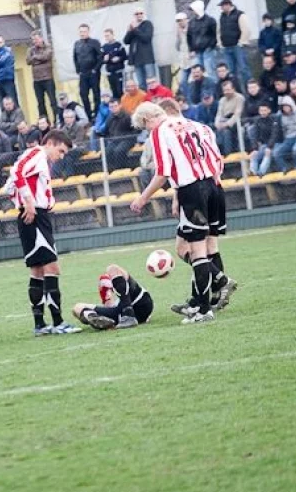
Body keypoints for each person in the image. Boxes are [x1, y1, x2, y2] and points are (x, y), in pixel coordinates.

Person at [130, 102, 229, 324]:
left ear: (148, 120)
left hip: (192, 190)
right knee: (207, 247)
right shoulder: (199, 125)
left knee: (197, 251)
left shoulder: (160, 131)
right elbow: (218, 161)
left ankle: (204, 309)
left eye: (145, 128)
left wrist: (143, 198)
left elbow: (162, 172)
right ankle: (202, 302)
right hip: (215, 187)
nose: (148, 132)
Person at [4, 130, 80, 336]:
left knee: (37, 271)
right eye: (61, 151)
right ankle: (58, 322)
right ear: (51, 143)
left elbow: (10, 186)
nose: (61, 156)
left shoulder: (41, 160)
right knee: (52, 267)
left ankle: (40, 324)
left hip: (35, 214)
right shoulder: (37, 154)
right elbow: (16, 172)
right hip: (35, 216)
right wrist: (28, 202)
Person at [72, 265, 153, 331]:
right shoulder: (121, 296)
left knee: (112, 269)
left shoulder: (125, 292)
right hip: (128, 312)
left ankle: (128, 315)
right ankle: (92, 316)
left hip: (133, 305)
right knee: (77, 307)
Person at [217, 0, 252, 86]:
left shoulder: (239, 14)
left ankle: (249, 88)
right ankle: (235, 90)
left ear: (228, 5)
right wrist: (220, 44)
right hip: (226, 47)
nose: (221, 8)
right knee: (231, 71)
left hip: (238, 46)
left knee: (244, 69)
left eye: (222, 6)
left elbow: (246, 29)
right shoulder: (222, 17)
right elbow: (218, 31)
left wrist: (241, 42)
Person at [73, 24, 102, 121]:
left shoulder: (94, 42)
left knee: (96, 94)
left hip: (93, 72)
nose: (82, 34)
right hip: (83, 73)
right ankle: (88, 115)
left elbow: (100, 56)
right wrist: (78, 70)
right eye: (81, 32)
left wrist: (95, 69)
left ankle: (97, 113)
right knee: (83, 94)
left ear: (88, 32)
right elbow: (75, 58)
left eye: (84, 31)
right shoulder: (77, 44)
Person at [26, 31, 56, 118]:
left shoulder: (48, 47)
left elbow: (46, 56)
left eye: (36, 39)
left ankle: (57, 119)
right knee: (40, 103)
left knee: (53, 101)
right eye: (33, 40)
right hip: (36, 80)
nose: (35, 41)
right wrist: (39, 59)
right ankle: (44, 121)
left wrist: (35, 57)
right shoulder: (30, 50)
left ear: (41, 38)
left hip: (48, 78)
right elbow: (28, 61)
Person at [124, 8, 156, 88]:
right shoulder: (133, 27)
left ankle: (154, 99)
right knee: (141, 83)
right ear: (134, 16)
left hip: (147, 59)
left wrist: (135, 29)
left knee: (151, 82)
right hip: (136, 60)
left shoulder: (147, 24)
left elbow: (147, 38)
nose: (139, 15)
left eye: (140, 13)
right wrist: (129, 31)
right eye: (137, 14)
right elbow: (126, 41)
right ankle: (144, 99)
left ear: (143, 14)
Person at [187, 0, 217, 76]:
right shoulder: (191, 22)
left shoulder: (210, 20)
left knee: (210, 71)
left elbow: (215, 35)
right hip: (197, 52)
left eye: (193, 10)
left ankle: (213, 87)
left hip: (208, 50)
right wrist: (191, 50)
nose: (192, 12)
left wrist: (211, 46)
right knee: (198, 72)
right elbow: (189, 37)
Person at [214, 79, 244, 155]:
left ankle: (228, 154)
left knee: (226, 132)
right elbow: (219, 113)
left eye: (228, 90)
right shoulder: (222, 100)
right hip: (223, 121)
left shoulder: (239, 98)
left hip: (236, 122)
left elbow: (237, 114)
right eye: (224, 90)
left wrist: (227, 124)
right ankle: (219, 154)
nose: (226, 92)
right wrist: (217, 123)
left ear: (233, 89)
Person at [101, 28, 127, 98]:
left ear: (112, 35)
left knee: (120, 90)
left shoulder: (119, 45)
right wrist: (104, 60)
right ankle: (116, 106)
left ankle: (123, 106)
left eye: (108, 35)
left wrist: (119, 58)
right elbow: (101, 60)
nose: (107, 37)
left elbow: (125, 56)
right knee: (114, 91)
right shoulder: (104, 47)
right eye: (105, 36)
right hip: (110, 73)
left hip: (119, 71)